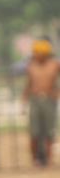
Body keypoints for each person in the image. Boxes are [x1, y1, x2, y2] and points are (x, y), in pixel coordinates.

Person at [23, 38, 59, 167]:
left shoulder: (54, 64)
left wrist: (56, 91)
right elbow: (28, 83)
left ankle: (48, 160)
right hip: (35, 99)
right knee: (34, 132)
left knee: (49, 131)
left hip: (49, 99)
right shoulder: (31, 65)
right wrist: (23, 100)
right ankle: (35, 159)